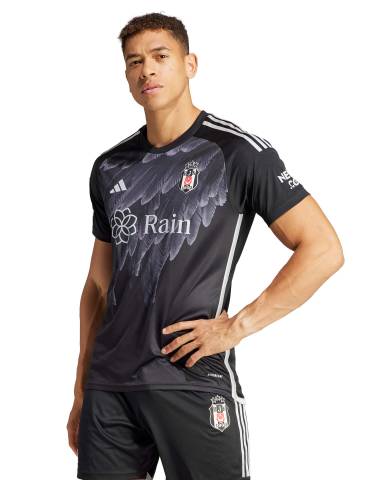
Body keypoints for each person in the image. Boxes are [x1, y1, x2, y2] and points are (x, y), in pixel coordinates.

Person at [66, 11, 344, 480]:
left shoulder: (237, 152)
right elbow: (98, 286)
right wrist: (81, 391)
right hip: (111, 391)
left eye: (160, 56)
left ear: (190, 64)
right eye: (134, 61)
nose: (147, 70)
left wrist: (237, 326)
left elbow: (322, 248)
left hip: (192, 380)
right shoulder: (110, 166)